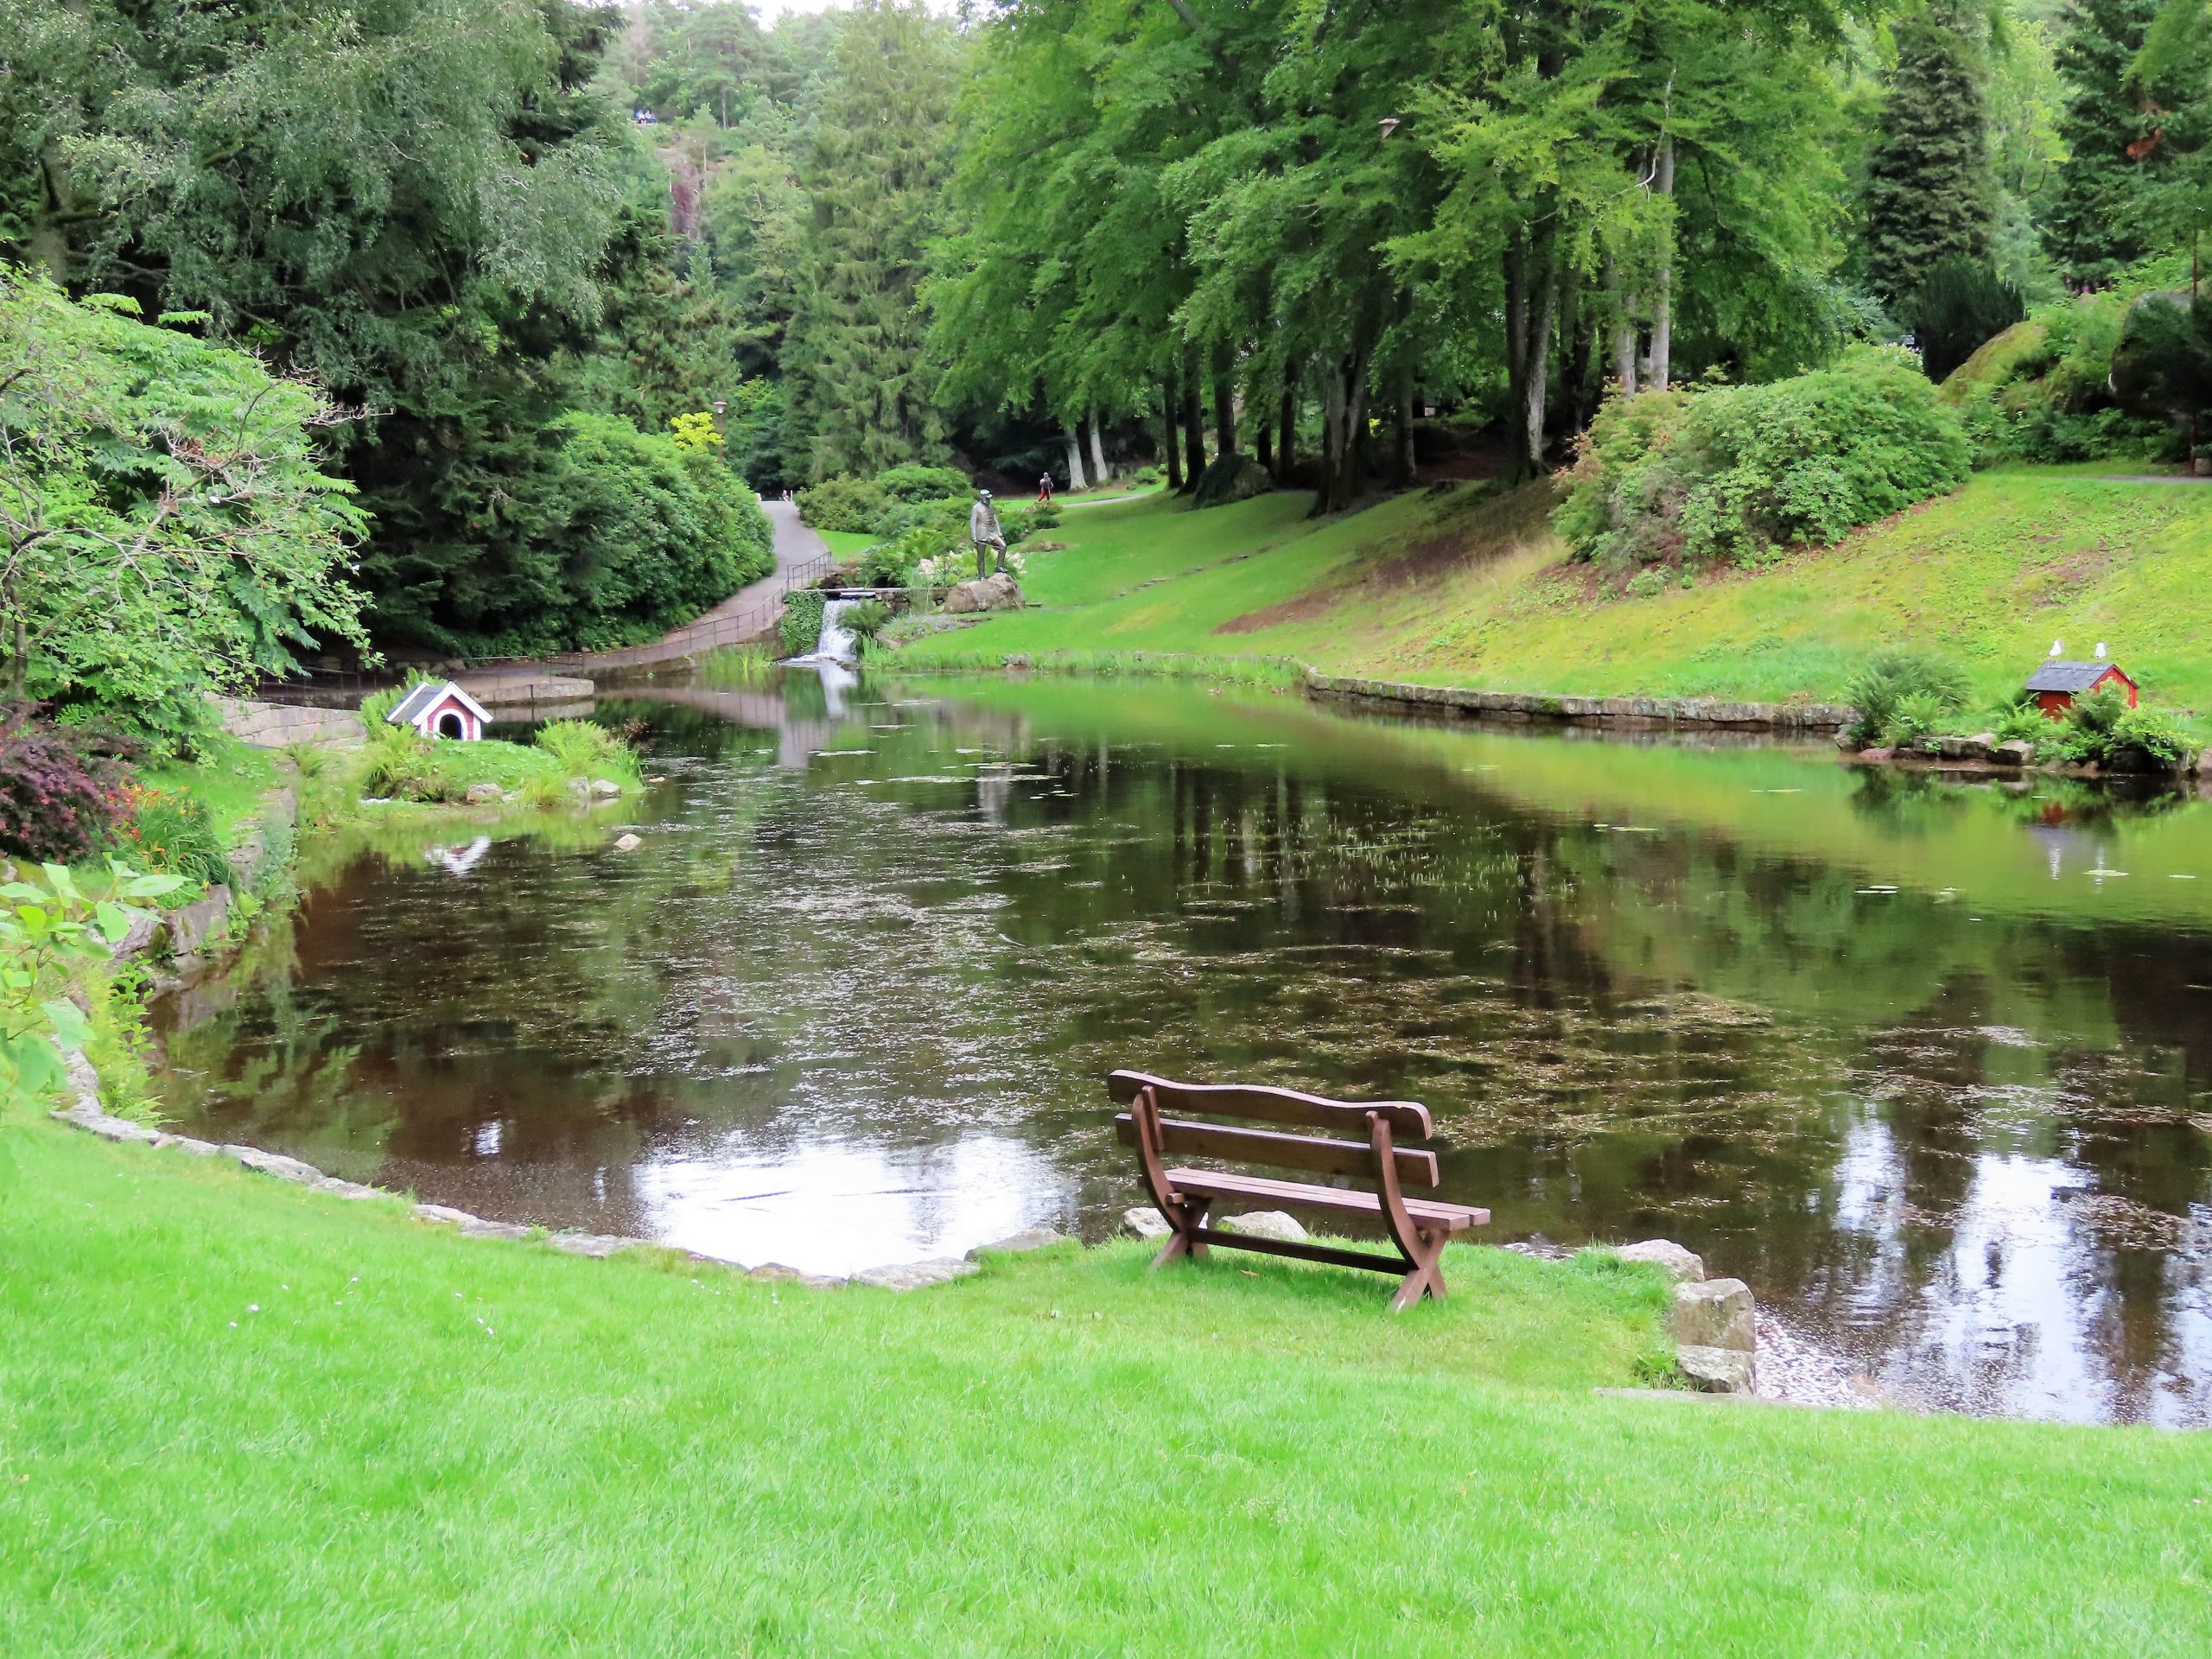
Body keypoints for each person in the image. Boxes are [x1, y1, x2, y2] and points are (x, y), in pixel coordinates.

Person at [969, 488, 1007, 580]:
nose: (988, 500)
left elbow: (995, 520)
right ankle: (981, 575)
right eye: (987, 498)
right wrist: (974, 536)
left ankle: (999, 566)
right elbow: (973, 522)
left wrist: (999, 532)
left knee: (1003, 545)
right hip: (981, 533)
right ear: (982, 498)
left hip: (992, 532)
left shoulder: (990, 507)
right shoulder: (976, 508)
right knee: (981, 556)